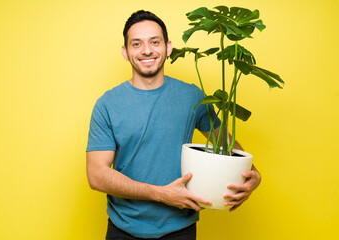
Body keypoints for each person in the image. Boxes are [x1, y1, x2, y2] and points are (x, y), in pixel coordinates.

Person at [86, 10, 261, 240]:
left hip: (180, 230)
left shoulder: (192, 96)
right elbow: (97, 175)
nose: (147, 50)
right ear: (125, 52)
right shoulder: (107, 104)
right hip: (124, 230)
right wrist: (161, 194)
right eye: (136, 44)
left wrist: (253, 175)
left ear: (168, 47)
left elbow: (227, 146)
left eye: (154, 42)